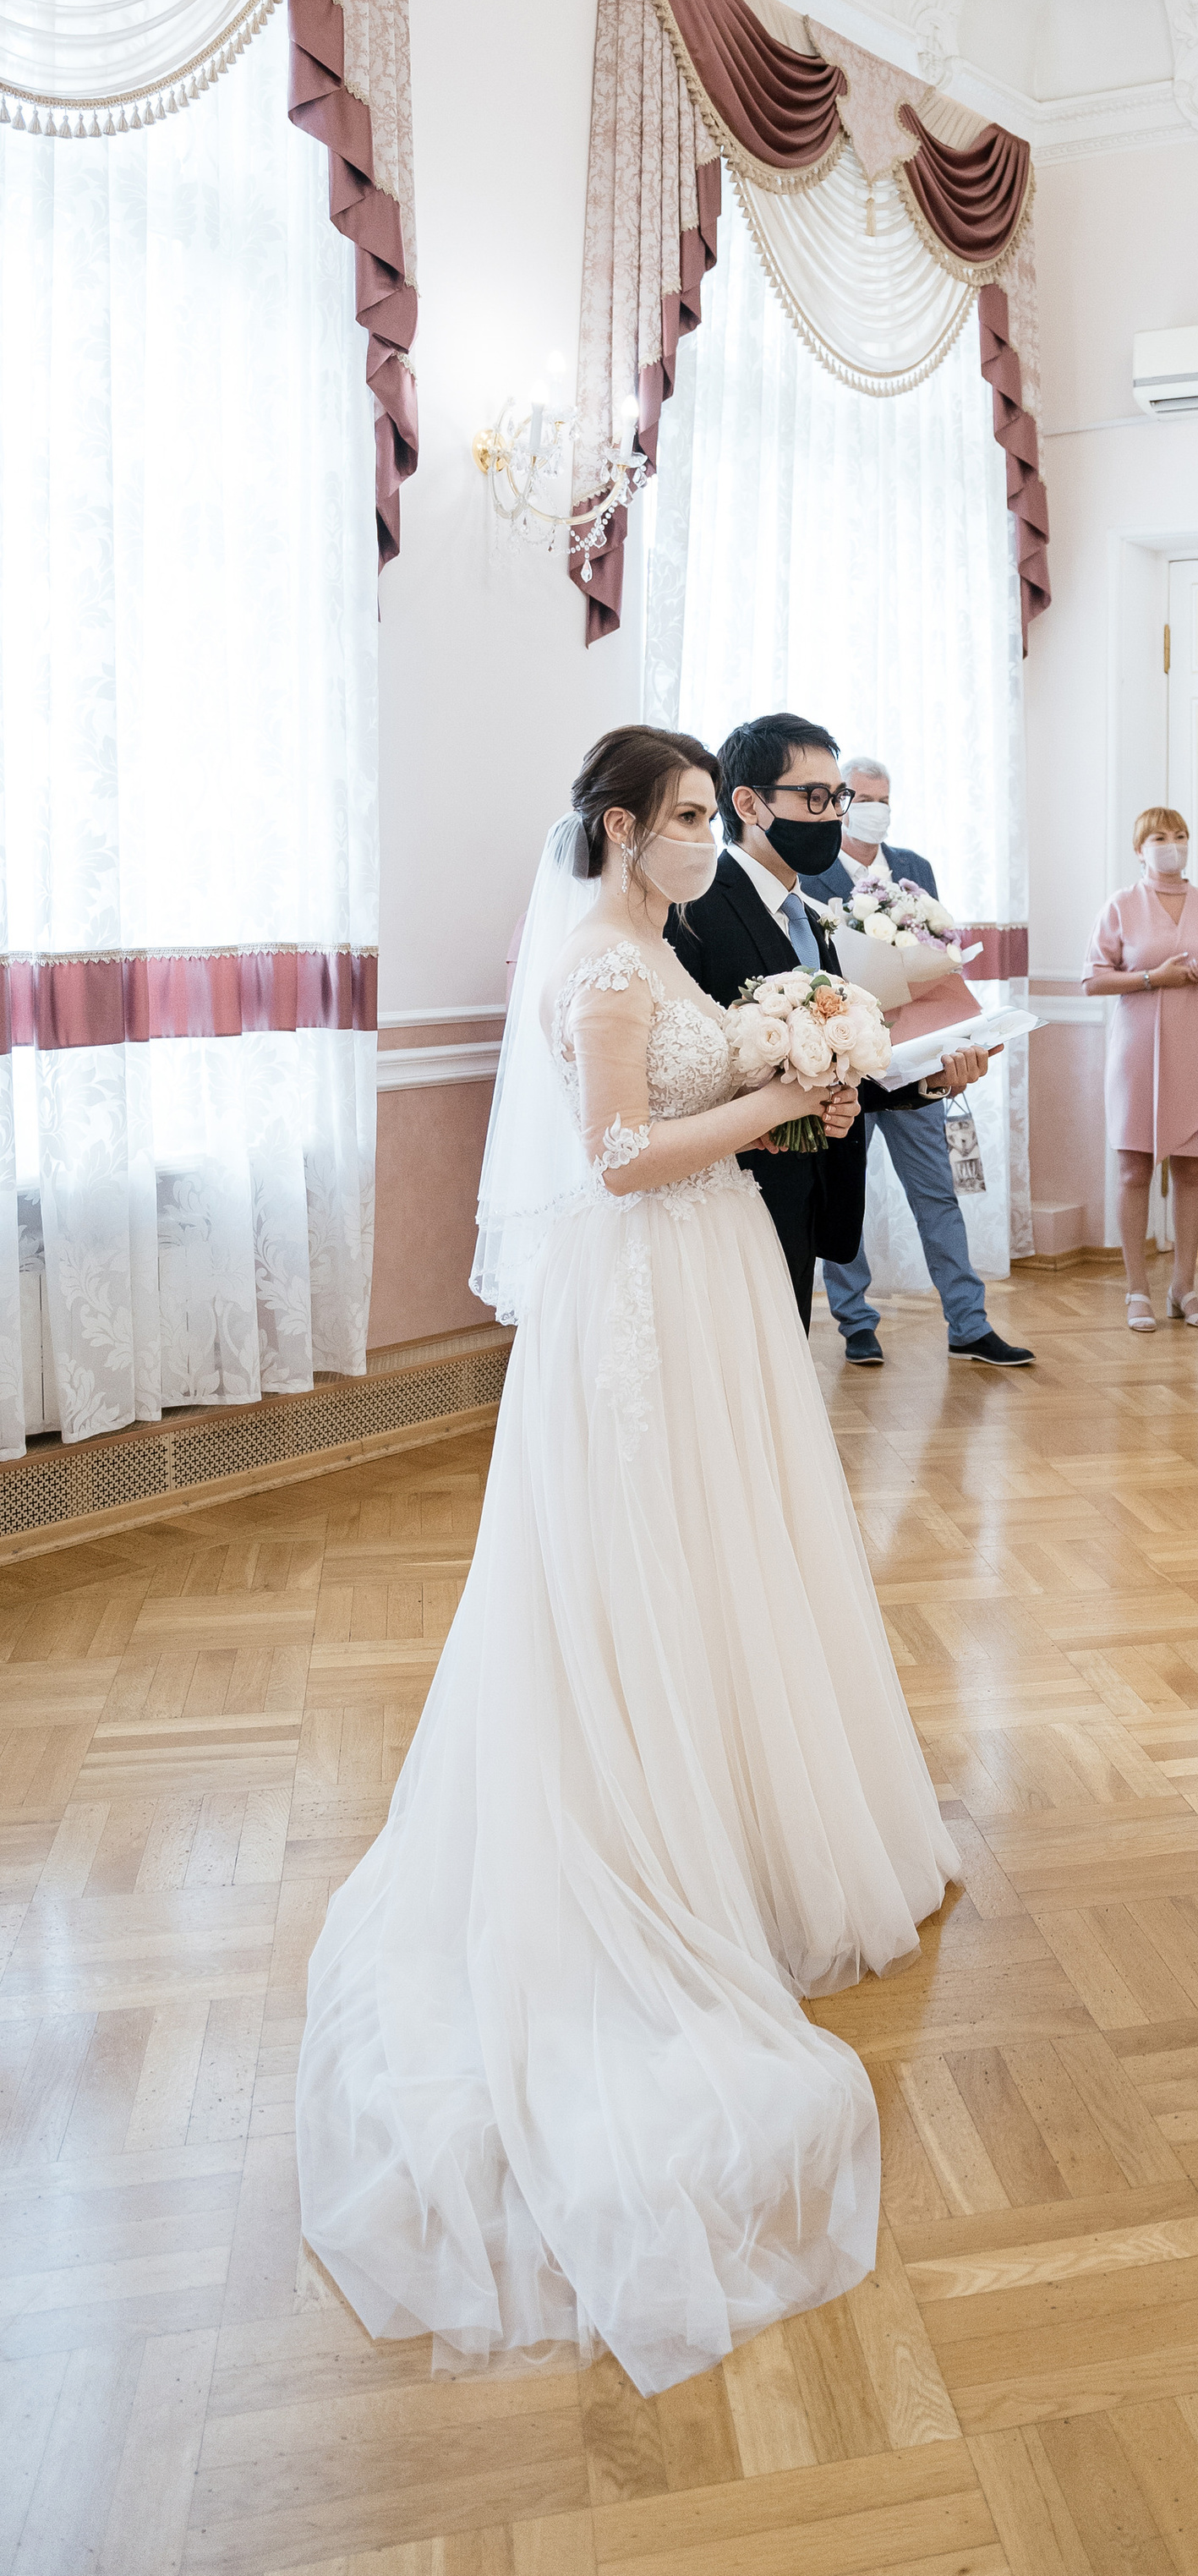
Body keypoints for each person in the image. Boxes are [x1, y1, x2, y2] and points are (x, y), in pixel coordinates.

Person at [298, 728, 958, 2394]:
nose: (700, 848)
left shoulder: (665, 943)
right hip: (646, 1290)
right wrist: (772, 1097)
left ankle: (745, 1819)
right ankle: (649, 1831)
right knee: (651, 1552)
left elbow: (701, 1101)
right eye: (678, 825)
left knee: (742, 1550)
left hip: (712, 1275)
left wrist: (820, 1070)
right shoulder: (599, 967)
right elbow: (609, 1157)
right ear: (617, 829)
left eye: (698, 826)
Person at [801, 753, 1031, 1370]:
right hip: (846, 1061)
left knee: (938, 1192)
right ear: (840, 800)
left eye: (885, 798)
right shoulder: (810, 870)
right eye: (862, 797)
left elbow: (934, 949)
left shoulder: (913, 869)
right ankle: (855, 1321)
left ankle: (969, 1322)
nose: (875, 809)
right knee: (844, 1194)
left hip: (915, 1059)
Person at [668, 713, 868, 1327]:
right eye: (814, 797)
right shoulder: (695, 906)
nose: (832, 815)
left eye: (839, 797)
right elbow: (683, 1066)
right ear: (749, 804)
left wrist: (924, 1080)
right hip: (736, 1190)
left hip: (808, 1191)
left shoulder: (805, 911)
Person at [1086, 806, 1198, 1330]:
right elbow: (1092, 980)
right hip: (1136, 1054)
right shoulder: (1120, 905)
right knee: (1134, 1169)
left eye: (1179, 835)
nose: (1171, 844)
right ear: (1140, 848)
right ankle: (1137, 1290)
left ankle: (1184, 1287)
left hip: (1197, 1052)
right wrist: (1153, 978)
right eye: (1160, 836)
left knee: (1190, 1171)